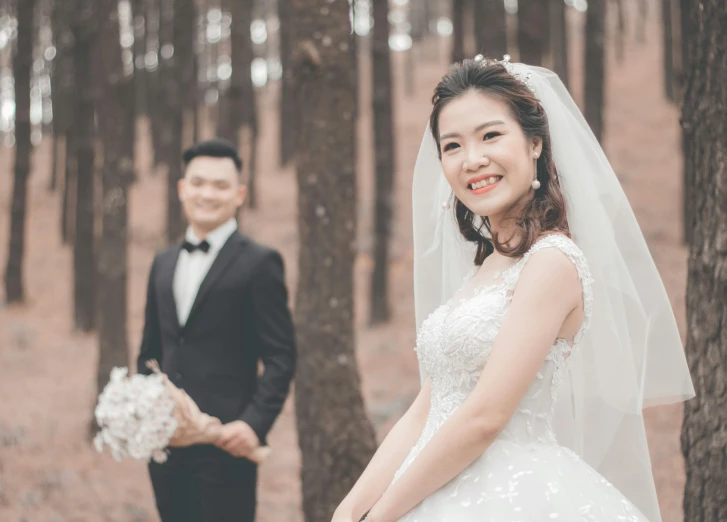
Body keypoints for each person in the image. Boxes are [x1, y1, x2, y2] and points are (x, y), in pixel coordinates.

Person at [332, 57, 694, 522]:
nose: (472, 159)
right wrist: (349, 511)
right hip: (433, 484)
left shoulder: (551, 262)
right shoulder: (485, 270)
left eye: (490, 135)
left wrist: (383, 515)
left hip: (509, 494)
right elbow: (426, 408)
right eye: (452, 146)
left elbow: (485, 416)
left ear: (535, 143)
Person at [137, 138, 296, 522]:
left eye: (220, 185)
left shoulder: (260, 263)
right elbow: (150, 353)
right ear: (182, 188)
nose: (207, 193)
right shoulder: (162, 263)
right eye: (198, 182)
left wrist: (253, 424)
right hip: (166, 448)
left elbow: (281, 355)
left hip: (227, 447)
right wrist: (144, 410)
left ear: (239, 194)